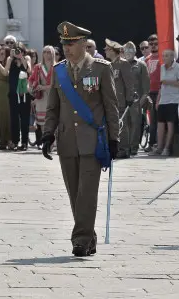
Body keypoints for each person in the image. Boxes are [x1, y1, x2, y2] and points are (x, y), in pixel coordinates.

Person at [41, 21, 119, 257]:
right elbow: (53, 107)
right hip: (67, 141)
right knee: (74, 193)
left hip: (92, 141)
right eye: (64, 43)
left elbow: (111, 106)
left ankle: (80, 240)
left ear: (84, 44)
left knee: (86, 193)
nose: (67, 48)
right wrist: (47, 134)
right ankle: (89, 237)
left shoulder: (101, 69)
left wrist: (114, 138)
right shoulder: (59, 70)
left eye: (72, 43)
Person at [104, 39, 134, 158]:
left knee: (122, 125)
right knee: (113, 125)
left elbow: (129, 83)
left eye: (107, 49)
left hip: (120, 100)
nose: (105, 51)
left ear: (113, 50)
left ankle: (124, 149)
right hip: (111, 101)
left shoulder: (123, 63)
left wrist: (129, 97)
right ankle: (116, 147)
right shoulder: (109, 65)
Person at [123, 41, 149, 156]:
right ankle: (125, 147)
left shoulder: (141, 65)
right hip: (122, 99)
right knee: (124, 124)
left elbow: (146, 84)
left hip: (136, 100)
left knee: (135, 123)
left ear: (135, 51)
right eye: (126, 50)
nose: (129, 52)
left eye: (131, 49)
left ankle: (133, 147)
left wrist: (142, 100)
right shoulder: (120, 64)